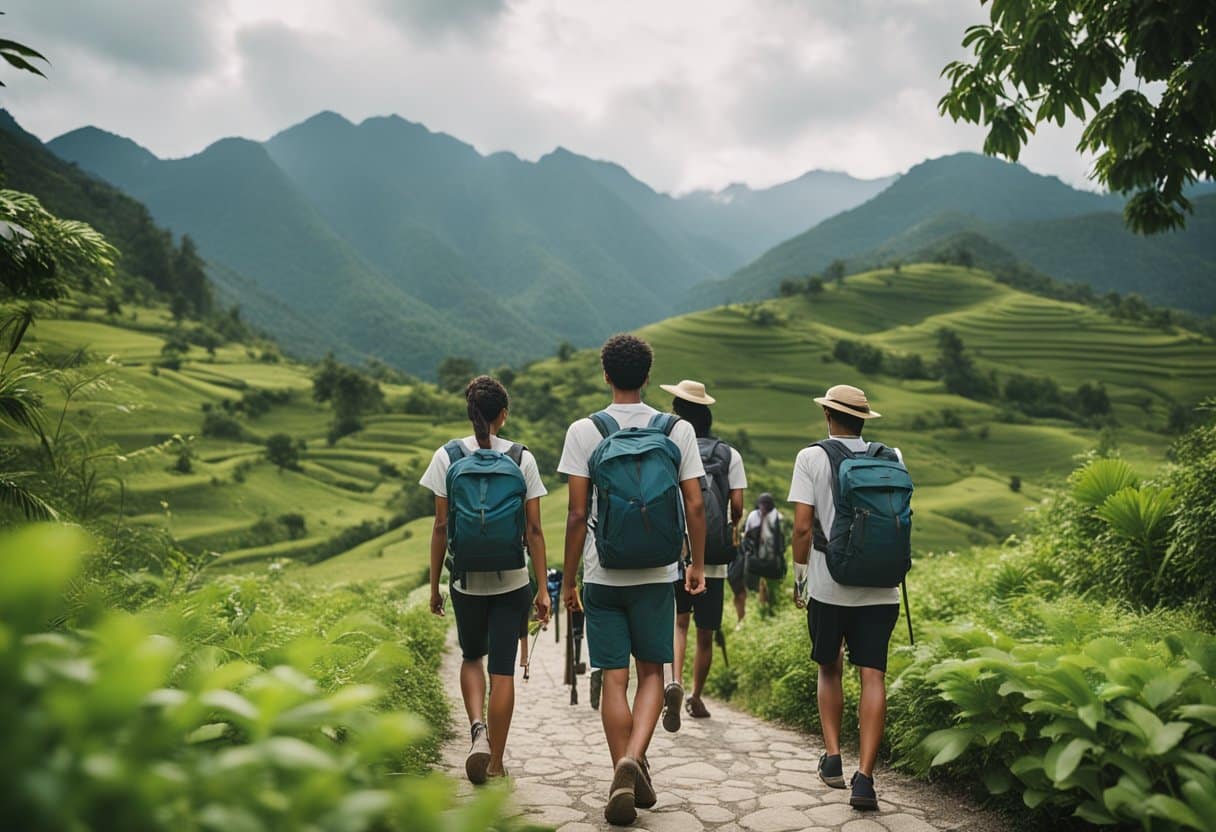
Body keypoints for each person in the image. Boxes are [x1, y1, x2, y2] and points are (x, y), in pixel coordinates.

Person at [559, 334, 707, 826]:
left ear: (606, 375)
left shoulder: (585, 430)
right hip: (657, 573)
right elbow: (694, 504)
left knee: (613, 679)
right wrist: (696, 564)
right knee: (651, 673)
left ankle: (623, 763)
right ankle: (635, 759)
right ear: (647, 377)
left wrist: (574, 580)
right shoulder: (676, 428)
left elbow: (578, 514)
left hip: (604, 573)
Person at [421, 375, 551, 784]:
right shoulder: (520, 458)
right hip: (513, 580)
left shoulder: (447, 455)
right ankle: (495, 762)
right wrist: (543, 589)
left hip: (466, 582)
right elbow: (534, 531)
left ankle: (476, 729)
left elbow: (441, 527)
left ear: (469, 412)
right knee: (504, 672)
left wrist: (434, 587)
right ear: (503, 415)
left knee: (471, 657)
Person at [788, 384, 904, 811]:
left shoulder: (811, 457)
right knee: (872, 675)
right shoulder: (891, 457)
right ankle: (866, 779)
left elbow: (802, 529)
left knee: (829, 668)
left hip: (828, 584)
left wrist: (799, 580)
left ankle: (833, 758)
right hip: (882, 587)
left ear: (827, 416)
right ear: (863, 419)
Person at [661, 379, 745, 723]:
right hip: (714, 557)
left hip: (677, 554)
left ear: (677, 413)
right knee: (706, 633)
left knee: (678, 624)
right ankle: (695, 695)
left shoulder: (670, 446)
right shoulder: (728, 454)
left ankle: (674, 683)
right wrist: (726, 525)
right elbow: (737, 504)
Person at [732, 493, 785, 618]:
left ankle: (761, 607)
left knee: (755, 585)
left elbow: (747, 534)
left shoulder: (753, 515)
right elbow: (782, 540)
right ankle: (770, 608)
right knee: (771, 586)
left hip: (755, 560)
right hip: (773, 562)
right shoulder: (778, 516)